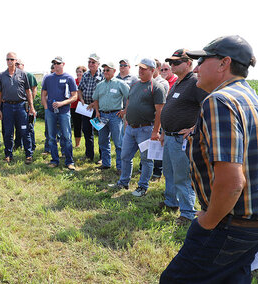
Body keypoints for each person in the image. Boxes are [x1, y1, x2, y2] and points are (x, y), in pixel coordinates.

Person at [161, 35, 258, 283]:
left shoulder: (220, 100)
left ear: (224, 63)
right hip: (248, 225)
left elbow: (232, 181)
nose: (197, 66)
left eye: (202, 59)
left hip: (227, 223)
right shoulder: (249, 96)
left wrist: (207, 221)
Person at [159, 49, 208, 226]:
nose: (172, 65)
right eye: (170, 63)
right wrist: (163, 132)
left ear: (189, 63)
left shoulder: (195, 82)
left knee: (182, 176)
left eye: (176, 62)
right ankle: (171, 202)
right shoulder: (177, 84)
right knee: (169, 172)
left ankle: (187, 213)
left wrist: (195, 128)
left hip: (182, 140)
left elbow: (208, 106)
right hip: (170, 137)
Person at [110, 58, 166, 197]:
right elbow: (129, 101)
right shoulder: (135, 84)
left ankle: (142, 186)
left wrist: (156, 131)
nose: (140, 71)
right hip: (131, 128)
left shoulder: (156, 87)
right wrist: (127, 115)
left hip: (146, 129)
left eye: (144, 68)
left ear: (152, 70)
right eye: (139, 68)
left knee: (146, 160)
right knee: (125, 156)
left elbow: (160, 111)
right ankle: (124, 182)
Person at [0, 52, 36, 164]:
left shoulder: (23, 74)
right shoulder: (2, 76)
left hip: (21, 106)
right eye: (8, 59)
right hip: (7, 107)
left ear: (15, 61)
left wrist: (31, 107)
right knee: (8, 132)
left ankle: (29, 155)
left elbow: (28, 91)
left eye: (12, 59)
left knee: (25, 131)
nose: (10, 61)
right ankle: (8, 155)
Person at [92, 62, 130, 174]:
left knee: (118, 142)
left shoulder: (120, 84)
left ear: (114, 71)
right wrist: (97, 112)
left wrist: (125, 111)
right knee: (103, 141)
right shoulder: (100, 85)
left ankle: (120, 167)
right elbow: (96, 99)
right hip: (102, 115)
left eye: (108, 70)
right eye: (104, 70)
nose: (105, 72)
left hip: (115, 116)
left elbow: (130, 97)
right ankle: (106, 163)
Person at [41, 56, 77, 170]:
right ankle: (54, 160)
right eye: (54, 63)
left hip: (64, 112)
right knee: (51, 137)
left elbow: (74, 96)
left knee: (66, 137)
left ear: (63, 64)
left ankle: (69, 161)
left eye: (58, 63)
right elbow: (43, 94)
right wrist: (46, 108)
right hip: (50, 112)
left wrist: (62, 103)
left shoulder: (69, 78)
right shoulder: (48, 78)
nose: (56, 65)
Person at [78, 53, 104, 162]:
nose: (91, 64)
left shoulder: (102, 75)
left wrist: (94, 104)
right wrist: (81, 99)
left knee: (101, 133)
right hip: (86, 109)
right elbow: (80, 90)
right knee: (87, 131)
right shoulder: (85, 75)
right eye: (89, 62)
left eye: (93, 62)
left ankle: (103, 157)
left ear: (98, 64)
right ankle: (89, 155)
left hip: (99, 109)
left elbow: (103, 93)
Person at [14, 59, 38, 151]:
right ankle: (18, 144)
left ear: (23, 65)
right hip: (17, 105)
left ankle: (32, 145)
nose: (17, 66)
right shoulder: (14, 76)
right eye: (15, 65)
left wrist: (29, 102)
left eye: (18, 64)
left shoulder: (29, 76)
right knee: (18, 126)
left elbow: (34, 89)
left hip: (27, 104)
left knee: (29, 126)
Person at [71, 66, 86, 148]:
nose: (78, 73)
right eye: (77, 72)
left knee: (85, 126)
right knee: (77, 125)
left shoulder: (86, 82)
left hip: (84, 106)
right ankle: (77, 144)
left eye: (80, 72)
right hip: (74, 106)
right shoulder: (73, 81)